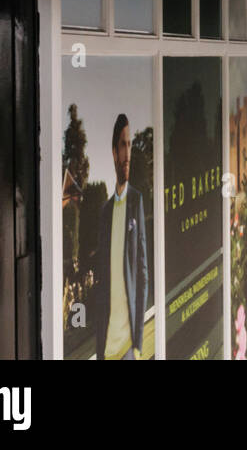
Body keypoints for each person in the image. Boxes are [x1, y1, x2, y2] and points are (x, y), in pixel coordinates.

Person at [93, 114, 149, 360]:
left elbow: (143, 271)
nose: (128, 153)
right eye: (123, 145)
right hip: (107, 347)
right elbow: (101, 280)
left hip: (127, 345)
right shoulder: (105, 212)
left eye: (130, 144)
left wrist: (138, 338)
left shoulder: (136, 201)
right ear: (114, 152)